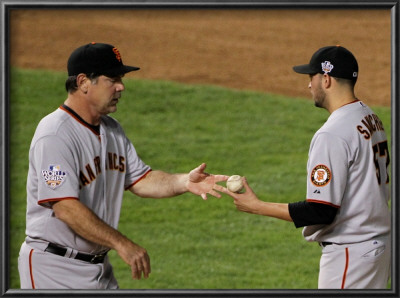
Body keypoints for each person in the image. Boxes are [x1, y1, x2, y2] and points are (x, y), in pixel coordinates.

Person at [18, 42, 229, 289]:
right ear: (84, 82)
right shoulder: (54, 134)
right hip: (53, 269)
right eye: (113, 79)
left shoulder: (112, 129)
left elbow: (140, 179)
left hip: (99, 269)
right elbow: (65, 207)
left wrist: (184, 181)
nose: (121, 87)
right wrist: (122, 243)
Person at [215, 45, 391, 289]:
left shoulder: (332, 133)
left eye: (312, 77)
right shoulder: (369, 117)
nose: (309, 85)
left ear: (326, 79)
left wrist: (257, 207)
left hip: (351, 255)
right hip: (377, 247)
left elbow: (320, 210)